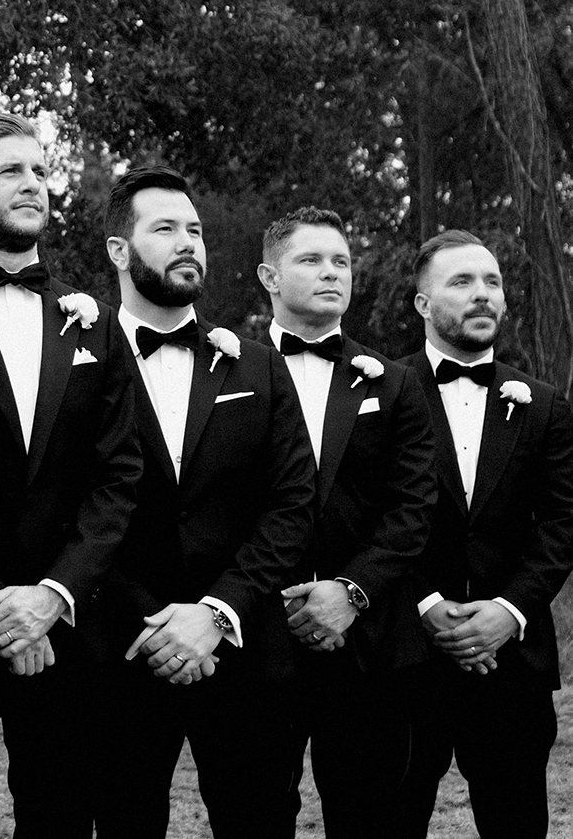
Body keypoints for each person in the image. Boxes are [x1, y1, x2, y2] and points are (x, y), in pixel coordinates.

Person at [0, 112, 141, 837]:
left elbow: (118, 476)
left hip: (64, 628)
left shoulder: (93, 322)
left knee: (63, 817)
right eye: (12, 171)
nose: (34, 184)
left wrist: (53, 593)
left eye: (40, 171)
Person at [86, 165, 316, 839]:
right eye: (166, 229)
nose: (189, 241)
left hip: (246, 651)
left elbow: (292, 503)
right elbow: (72, 506)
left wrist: (217, 612)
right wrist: (155, 620)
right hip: (125, 649)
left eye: (195, 229)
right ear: (119, 251)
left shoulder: (258, 365)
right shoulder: (77, 359)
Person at [255, 207, 435, 837]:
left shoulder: (397, 383)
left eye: (341, 262)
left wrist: (350, 592)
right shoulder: (228, 370)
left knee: (368, 814)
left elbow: (414, 507)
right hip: (258, 636)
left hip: (370, 642)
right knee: (254, 812)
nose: (332, 272)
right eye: (311, 260)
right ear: (269, 277)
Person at [395, 231, 573, 839]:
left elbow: (561, 524)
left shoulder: (543, 405)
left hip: (513, 664)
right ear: (422, 304)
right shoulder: (379, 394)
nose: (482, 296)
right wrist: (425, 604)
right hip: (405, 657)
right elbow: (363, 518)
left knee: (517, 822)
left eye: (492, 282)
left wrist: (509, 609)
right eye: (462, 282)